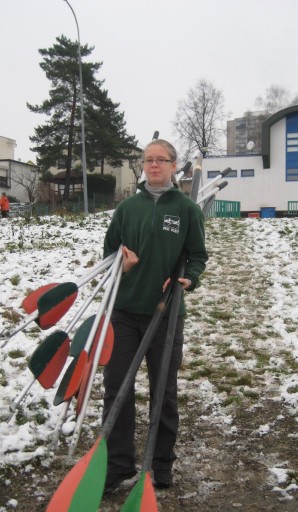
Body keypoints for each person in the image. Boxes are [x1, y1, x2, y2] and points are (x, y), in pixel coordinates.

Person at [102, 139, 208, 493]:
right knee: (117, 388)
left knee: (164, 391)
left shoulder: (187, 210)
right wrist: (123, 263)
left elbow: (197, 256)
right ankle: (117, 467)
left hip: (167, 313)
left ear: (174, 165)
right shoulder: (127, 209)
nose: (154, 166)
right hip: (124, 312)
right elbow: (109, 253)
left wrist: (187, 279)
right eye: (148, 160)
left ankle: (161, 465)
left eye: (161, 160)